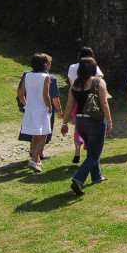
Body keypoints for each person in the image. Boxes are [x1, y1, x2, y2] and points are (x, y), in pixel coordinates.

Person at [61, 57, 112, 196]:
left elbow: (69, 106)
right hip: (95, 121)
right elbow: (104, 103)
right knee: (95, 154)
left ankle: (97, 176)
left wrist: (65, 123)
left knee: (92, 150)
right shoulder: (99, 82)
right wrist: (109, 121)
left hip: (80, 122)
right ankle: (78, 180)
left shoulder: (75, 84)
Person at [17, 53, 62, 159]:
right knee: (44, 134)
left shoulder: (27, 75)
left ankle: (35, 155)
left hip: (31, 108)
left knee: (34, 132)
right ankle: (35, 158)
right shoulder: (47, 77)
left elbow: (20, 93)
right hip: (42, 108)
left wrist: (26, 104)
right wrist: (51, 107)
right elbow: (47, 96)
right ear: (45, 65)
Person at [67, 47, 104, 164]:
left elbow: (70, 82)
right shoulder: (93, 66)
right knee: (92, 125)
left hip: (76, 96)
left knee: (78, 125)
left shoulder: (72, 67)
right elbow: (99, 79)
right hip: (90, 99)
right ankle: (90, 153)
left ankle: (77, 151)